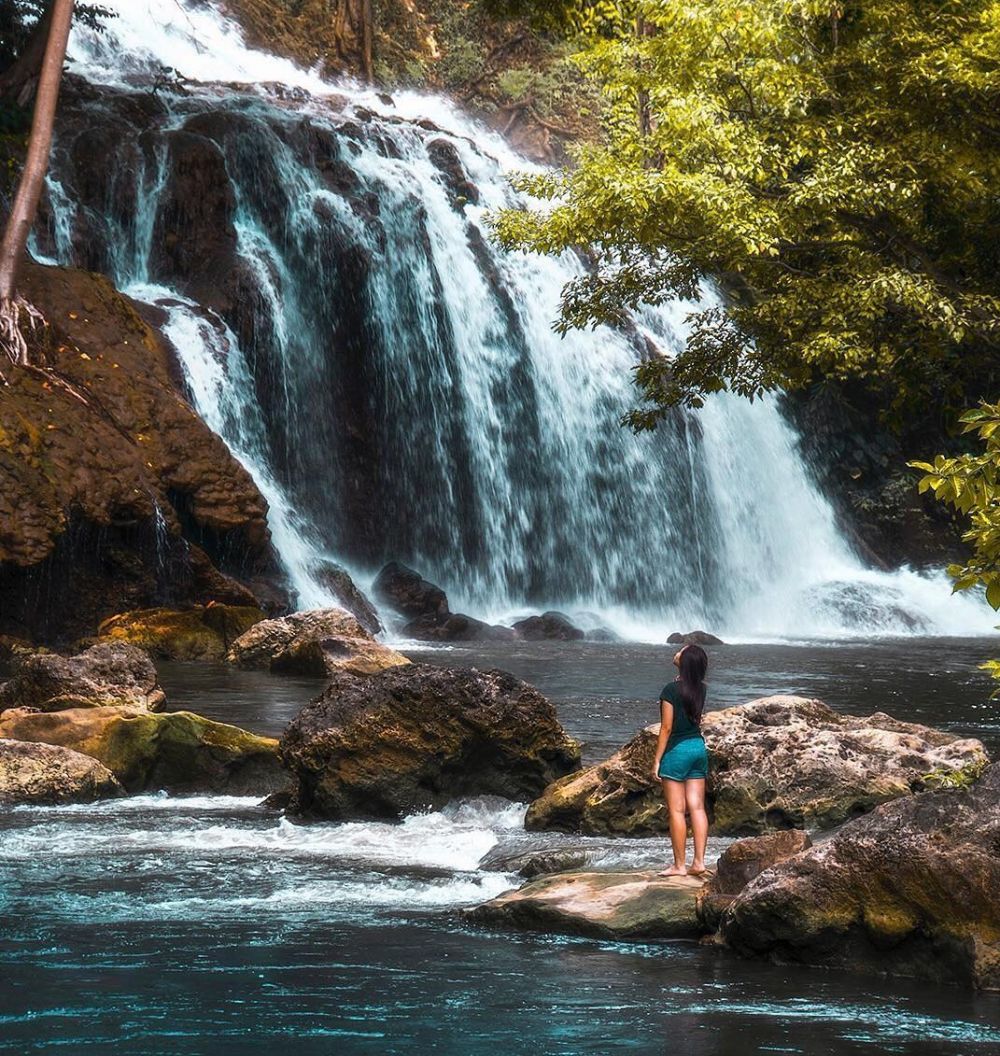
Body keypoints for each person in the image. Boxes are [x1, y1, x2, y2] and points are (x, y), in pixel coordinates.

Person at [651, 643, 710, 876]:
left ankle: (679, 866)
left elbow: (666, 728)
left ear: (684, 661)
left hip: (677, 750)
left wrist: (657, 760)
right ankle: (699, 863)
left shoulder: (670, 690)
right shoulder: (701, 689)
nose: (676, 652)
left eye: (681, 651)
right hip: (698, 748)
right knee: (697, 807)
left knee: (676, 810)